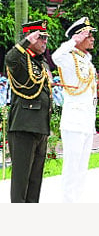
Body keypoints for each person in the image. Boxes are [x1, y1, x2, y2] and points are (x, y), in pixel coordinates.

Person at [5, 20, 52, 203]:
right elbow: (10, 58)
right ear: (30, 38)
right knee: (21, 181)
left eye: (45, 38)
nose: (44, 42)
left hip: (40, 127)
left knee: (35, 181)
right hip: (24, 126)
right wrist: (25, 42)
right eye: (40, 38)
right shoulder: (21, 60)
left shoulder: (41, 64)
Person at [52, 17, 97, 203]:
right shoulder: (69, 58)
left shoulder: (86, 59)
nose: (92, 38)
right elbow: (55, 56)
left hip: (86, 121)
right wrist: (73, 41)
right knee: (72, 168)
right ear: (79, 37)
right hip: (74, 121)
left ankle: (77, 202)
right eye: (88, 35)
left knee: (82, 167)